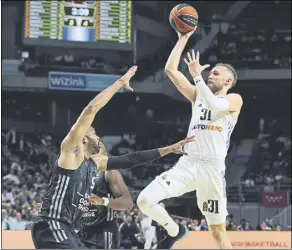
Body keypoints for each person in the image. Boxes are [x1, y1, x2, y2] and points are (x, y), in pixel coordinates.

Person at [31, 65, 196, 249]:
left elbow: (131, 159)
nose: (98, 137)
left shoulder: (95, 163)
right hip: (53, 224)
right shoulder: (71, 151)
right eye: (94, 133)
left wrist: (169, 149)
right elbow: (91, 108)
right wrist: (119, 83)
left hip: (68, 229)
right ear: (83, 138)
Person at [137, 29, 243, 249]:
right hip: (188, 164)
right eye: (209, 73)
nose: (210, 75)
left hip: (212, 171)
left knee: (218, 234)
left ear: (228, 80)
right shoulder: (198, 96)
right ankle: (175, 230)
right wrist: (183, 38)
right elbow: (170, 70)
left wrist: (196, 75)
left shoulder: (234, 99)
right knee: (144, 200)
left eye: (215, 73)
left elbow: (215, 105)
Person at [78, 142, 133, 249]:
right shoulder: (78, 174)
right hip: (80, 232)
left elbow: (128, 203)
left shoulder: (109, 173)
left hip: (102, 234)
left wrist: (103, 201)